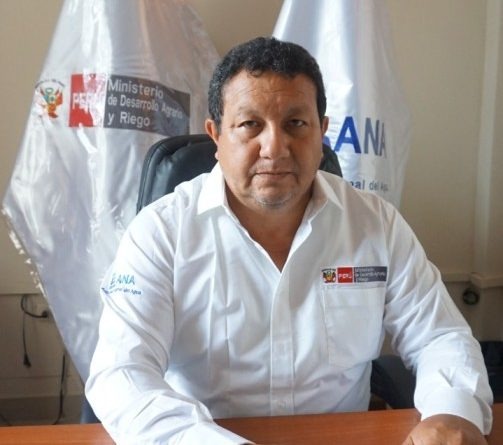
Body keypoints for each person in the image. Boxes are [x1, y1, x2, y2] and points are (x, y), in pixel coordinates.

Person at [86, 37, 493, 444]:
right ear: (216, 136)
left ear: (322, 133)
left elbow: (439, 335)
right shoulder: (160, 232)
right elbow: (122, 372)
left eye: (296, 124)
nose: (275, 147)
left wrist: (452, 413)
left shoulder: (375, 224)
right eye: (250, 125)